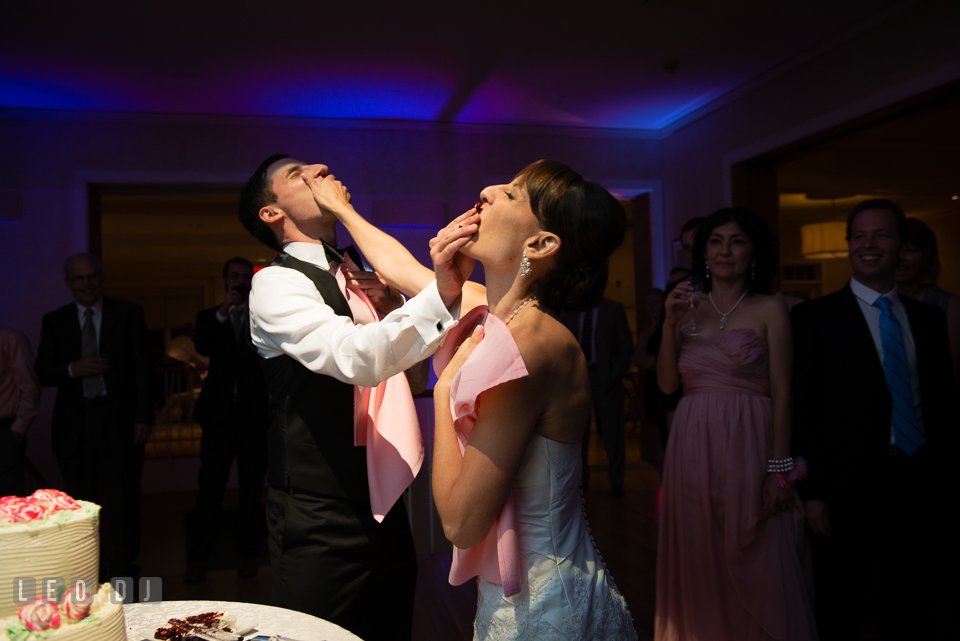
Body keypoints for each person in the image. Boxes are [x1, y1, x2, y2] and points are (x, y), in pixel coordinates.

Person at [302, 159, 638, 640]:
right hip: (513, 593)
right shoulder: (496, 310)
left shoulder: (531, 345)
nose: (488, 188)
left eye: (513, 193)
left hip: (545, 605)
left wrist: (441, 393)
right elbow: (398, 269)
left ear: (540, 245)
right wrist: (340, 209)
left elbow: (460, 523)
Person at [238, 154, 464, 641]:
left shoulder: (361, 275)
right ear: (272, 213)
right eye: (298, 174)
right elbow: (353, 358)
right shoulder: (275, 282)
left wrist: (391, 312)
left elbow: (413, 379)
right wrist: (436, 295)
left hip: (383, 500)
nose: (320, 167)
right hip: (318, 510)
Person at [792, 199, 954, 640]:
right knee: (842, 603)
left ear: (900, 245)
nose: (869, 244)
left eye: (881, 234)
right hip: (845, 488)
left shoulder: (929, 319)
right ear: (848, 245)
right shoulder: (813, 318)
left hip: (917, 479)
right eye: (859, 235)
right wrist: (811, 492)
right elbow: (803, 412)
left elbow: (941, 405)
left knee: (913, 601)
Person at [655, 208, 817, 641]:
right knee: (699, 551)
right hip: (692, 444)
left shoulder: (770, 308)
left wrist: (779, 469)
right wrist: (669, 324)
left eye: (737, 241)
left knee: (758, 550)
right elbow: (668, 385)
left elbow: (783, 391)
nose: (725, 251)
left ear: (754, 253)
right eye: (716, 241)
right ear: (703, 253)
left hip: (751, 438)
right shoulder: (686, 307)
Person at [34, 253, 154, 580]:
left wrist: (144, 416)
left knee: (124, 500)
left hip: (119, 422)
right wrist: (74, 368)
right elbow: (43, 371)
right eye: (79, 278)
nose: (87, 284)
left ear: (100, 278)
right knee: (80, 504)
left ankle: (125, 569)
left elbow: (144, 369)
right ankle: (88, 571)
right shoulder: (54, 320)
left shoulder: (128, 313)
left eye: (92, 277)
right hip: (74, 425)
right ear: (68, 283)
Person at [184, 257, 271, 584]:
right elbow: (204, 346)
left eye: (245, 277)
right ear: (224, 281)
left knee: (251, 490)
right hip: (218, 417)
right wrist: (223, 312)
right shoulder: (209, 316)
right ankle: (198, 559)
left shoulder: (261, 318)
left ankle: (248, 556)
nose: (239, 282)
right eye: (234, 277)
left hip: (253, 416)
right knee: (210, 489)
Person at [563, 298, 633, 495]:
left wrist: (613, 375)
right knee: (577, 434)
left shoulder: (613, 308)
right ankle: (581, 480)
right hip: (577, 379)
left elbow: (625, 345)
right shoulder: (569, 310)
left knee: (613, 432)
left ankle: (617, 481)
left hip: (605, 378)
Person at [895, 216, 960, 386]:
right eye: (896, 249)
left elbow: (952, 373)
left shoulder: (947, 304)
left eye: (910, 249)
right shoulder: (874, 302)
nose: (900, 257)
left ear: (926, 256)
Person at [0, 326, 41, 496]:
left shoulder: (10, 339)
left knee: (6, 502)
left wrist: (17, 431)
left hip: (4, 432)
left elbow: (31, 387)